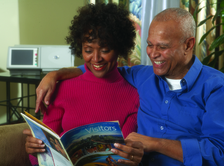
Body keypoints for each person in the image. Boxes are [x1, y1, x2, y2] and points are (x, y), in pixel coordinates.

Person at [35, 7, 224, 166]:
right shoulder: (142, 75)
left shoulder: (215, 86)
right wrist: (54, 75)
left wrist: (154, 143)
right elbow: (97, 69)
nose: (153, 54)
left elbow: (219, 152)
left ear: (188, 45)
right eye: (150, 45)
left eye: (163, 47)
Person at [23, 3, 142, 166]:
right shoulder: (61, 88)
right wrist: (34, 150)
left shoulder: (133, 96)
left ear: (118, 48)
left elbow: (125, 158)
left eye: (105, 50)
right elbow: (41, 158)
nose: (96, 58)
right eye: (88, 50)